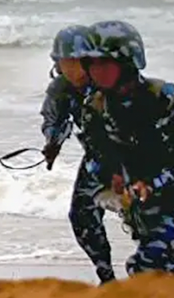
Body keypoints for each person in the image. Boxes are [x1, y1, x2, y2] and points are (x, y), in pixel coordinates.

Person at [76, 20, 174, 276]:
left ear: (127, 62)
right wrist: (111, 176)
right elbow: (96, 156)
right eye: (92, 64)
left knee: (146, 267)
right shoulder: (95, 108)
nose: (97, 71)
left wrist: (153, 182)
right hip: (146, 211)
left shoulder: (165, 100)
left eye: (105, 63)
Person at [40, 25, 116, 284]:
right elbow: (54, 119)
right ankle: (107, 278)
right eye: (65, 62)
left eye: (76, 61)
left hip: (135, 156)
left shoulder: (114, 82)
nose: (71, 68)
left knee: (148, 217)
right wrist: (52, 143)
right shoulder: (61, 88)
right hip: (97, 159)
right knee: (82, 217)